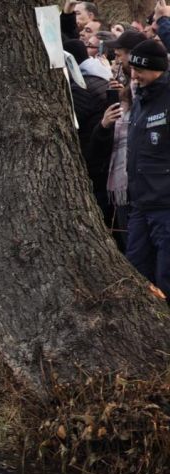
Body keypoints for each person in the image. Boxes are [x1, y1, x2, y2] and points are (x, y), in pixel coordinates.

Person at [124, 38, 170, 296]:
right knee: (136, 267)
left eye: (139, 70)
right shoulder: (141, 96)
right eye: (132, 69)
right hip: (141, 202)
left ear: (157, 69)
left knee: (167, 273)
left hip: (166, 204)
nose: (134, 75)